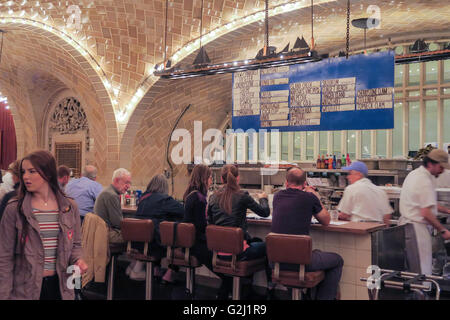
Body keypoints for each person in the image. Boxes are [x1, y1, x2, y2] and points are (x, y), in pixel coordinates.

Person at [0, 150, 87, 300]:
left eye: (32, 171)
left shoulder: (69, 206)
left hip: (61, 287)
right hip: (26, 289)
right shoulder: (14, 208)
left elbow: (76, 245)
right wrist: (4, 294)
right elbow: (4, 257)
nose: (25, 176)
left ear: (48, 173)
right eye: (23, 172)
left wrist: (78, 260)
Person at [271, 167, 343, 300]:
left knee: (316, 252)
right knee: (337, 260)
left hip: (275, 261)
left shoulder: (277, 197)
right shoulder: (309, 198)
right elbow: (326, 221)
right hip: (300, 262)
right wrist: (316, 197)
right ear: (305, 183)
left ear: (286, 182)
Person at [207, 164, 273, 299]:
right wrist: (263, 198)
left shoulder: (213, 197)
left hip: (218, 252)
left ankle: (240, 289)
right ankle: (270, 289)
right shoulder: (242, 195)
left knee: (256, 242)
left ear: (221, 178)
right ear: (238, 178)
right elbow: (265, 212)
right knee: (268, 246)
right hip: (239, 253)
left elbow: (211, 222)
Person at [399, 149, 450, 275]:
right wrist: (443, 230)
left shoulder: (416, 174)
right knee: (421, 271)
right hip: (416, 230)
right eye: (441, 167)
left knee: (416, 269)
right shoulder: (424, 180)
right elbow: (425, 212)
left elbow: (427, 204)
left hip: (410, 226)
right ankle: (422, 294)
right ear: (431, 163)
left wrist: (448, 210)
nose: (442, 170)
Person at [133, 174, 184, 282]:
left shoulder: (142, 198)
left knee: (158, 226)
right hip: (154, 245)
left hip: (137, 243)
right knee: (175, 233)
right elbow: (182, 210)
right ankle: (170, 273)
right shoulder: (164, 199)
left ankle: (156, 269)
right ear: (164, 187)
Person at [183, 164, 214, 271]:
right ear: (204, 179)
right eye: (210, 177)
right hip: (197, 245)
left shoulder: (190, 194)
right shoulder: (200, 199)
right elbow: (201, 226)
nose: (211, 180)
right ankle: (230, 284)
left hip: (188, 242)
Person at [94, 168, 131, 244]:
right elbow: (117, 223)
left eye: (129, 183)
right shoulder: (111, 195)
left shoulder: (108, 191)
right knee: (138, 236)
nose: (129, 186)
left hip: (102, 231)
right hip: (106, 233)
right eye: (126, 182)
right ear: (117, 180)